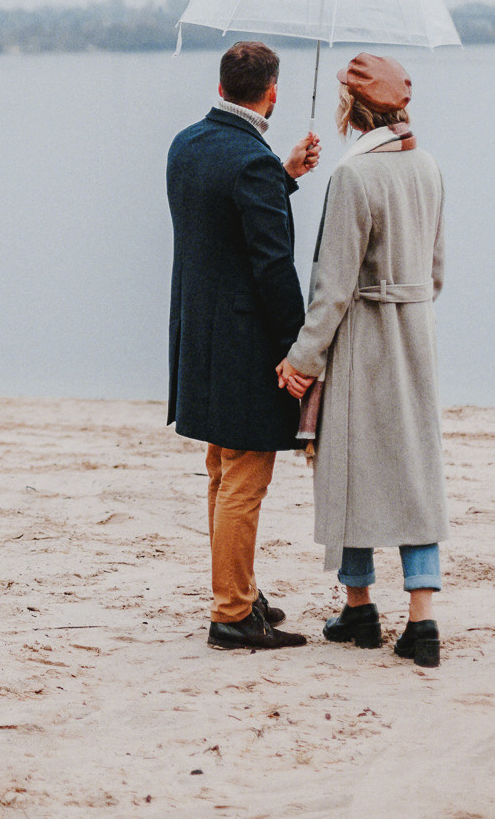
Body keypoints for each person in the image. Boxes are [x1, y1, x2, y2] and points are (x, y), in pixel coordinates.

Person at [276, 53, 449, 668]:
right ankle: (423, 620)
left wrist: (302, 357)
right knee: (416, 468)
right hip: (416, 332)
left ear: (353, 108)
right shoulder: (427, 166)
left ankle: (359, 605)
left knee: (350, 467)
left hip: (364, 337)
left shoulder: (354, 177)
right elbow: (436, 272)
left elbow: (333, 287)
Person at [167, 40, 321, 651]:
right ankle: (232, 612)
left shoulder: (189, 143)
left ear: (224, 86)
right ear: (273, 92)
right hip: (244, 342)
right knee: (245, 479)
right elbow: (271, 264)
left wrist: (283, 175)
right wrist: (298, 348)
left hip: (198, 334)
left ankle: (239, 590)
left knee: (220, 471)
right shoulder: (249, 161)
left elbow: (223, 217)